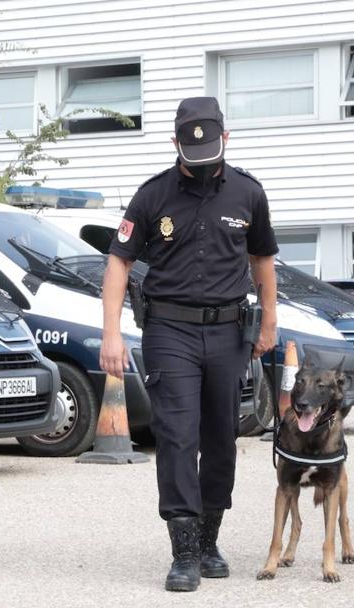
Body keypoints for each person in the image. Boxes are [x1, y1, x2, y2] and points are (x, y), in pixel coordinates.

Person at [100, 97, 278, 592]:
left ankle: (208, 539)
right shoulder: (152, 196)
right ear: (175, 143)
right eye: (190, 147)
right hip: (169, 332)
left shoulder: (248, 193)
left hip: (228, 332)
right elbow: (118, 263)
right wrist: (111, 332)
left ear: (226, 139)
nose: (202, 155)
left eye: (211, 147)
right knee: (178, 436)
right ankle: (182, 552)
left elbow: (263, 259)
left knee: (222, 436)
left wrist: (269, 323)